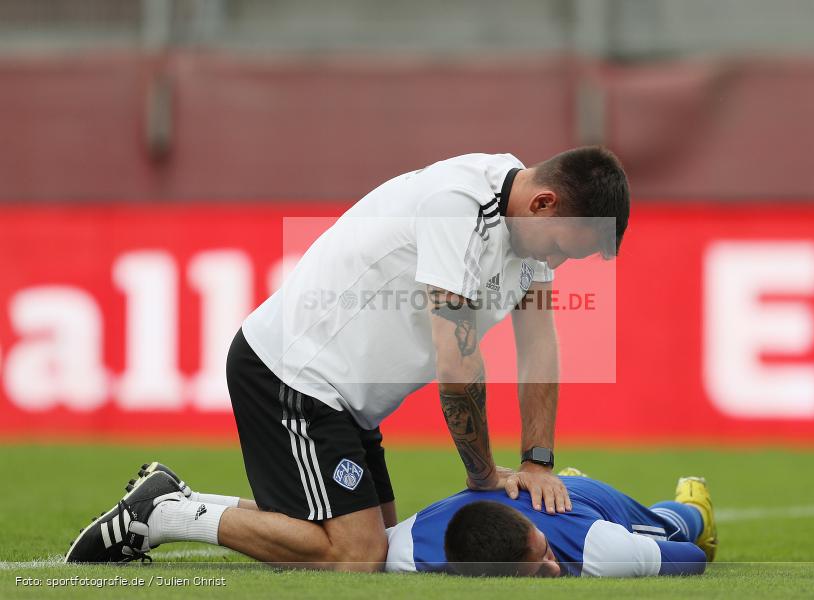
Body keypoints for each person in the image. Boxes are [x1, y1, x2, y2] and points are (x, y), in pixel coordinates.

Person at [65, 148, 631, 569]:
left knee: (387, 546)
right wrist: (482, 473)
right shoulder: (457, 208)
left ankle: (171, 498)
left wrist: (536, 461)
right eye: (560, 246)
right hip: (292, 373)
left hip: (346, 400)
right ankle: (162, 517)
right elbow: (458, 368)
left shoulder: (526, 230)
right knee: (357, 555)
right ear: (544, 202)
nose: (556, 261)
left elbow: (538, 346)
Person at [386, 469, 718, 577]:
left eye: (545, 551)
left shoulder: (599, 549)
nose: (555, 568)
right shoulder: (405, 548)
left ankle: (693, 498)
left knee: (673, 526)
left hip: (584, 503)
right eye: (541, 567)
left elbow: (693, 557)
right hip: (536, 510)